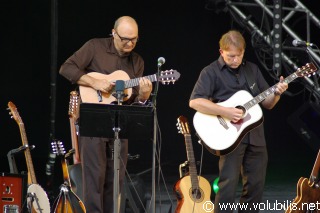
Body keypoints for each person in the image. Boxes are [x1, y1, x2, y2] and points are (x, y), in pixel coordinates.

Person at [59, 16, 152, 213]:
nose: (129, 43)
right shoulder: (95, 47)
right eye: (125, 38)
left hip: (119, 125)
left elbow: (132, 100)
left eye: (134, 39)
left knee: (115, 178)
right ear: (113, 33)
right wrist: (94, 83)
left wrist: (143, 97)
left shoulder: (137, 62)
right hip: (93, 123)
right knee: (94, 178)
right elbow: (66, 68)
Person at [189, 30, 288, 212]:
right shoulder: (210, 72)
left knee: (255, 188)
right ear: (221, 52)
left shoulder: (252, 69)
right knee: (227, 187)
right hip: (230, 138)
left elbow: (268, 103)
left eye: (239, 55)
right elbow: (195, 101)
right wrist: (225, 111)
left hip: (256, 137)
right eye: (230, 56)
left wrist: (277, 93)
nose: (235, 60)